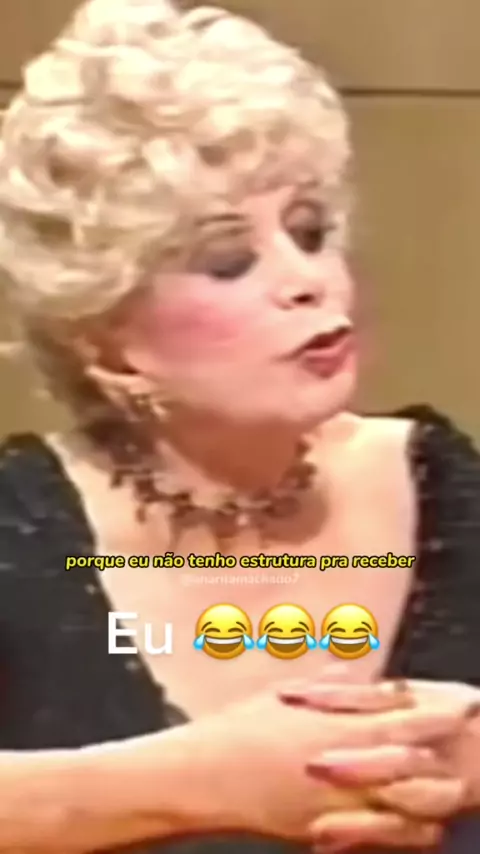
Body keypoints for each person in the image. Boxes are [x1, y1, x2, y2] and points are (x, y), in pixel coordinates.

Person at [0, 0, 479, 851]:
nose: (308, 280)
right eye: (227, 261)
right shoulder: (20, 536)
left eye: (310, 231)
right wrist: (192, 785)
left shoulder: (442, 484)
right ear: (104, 339)